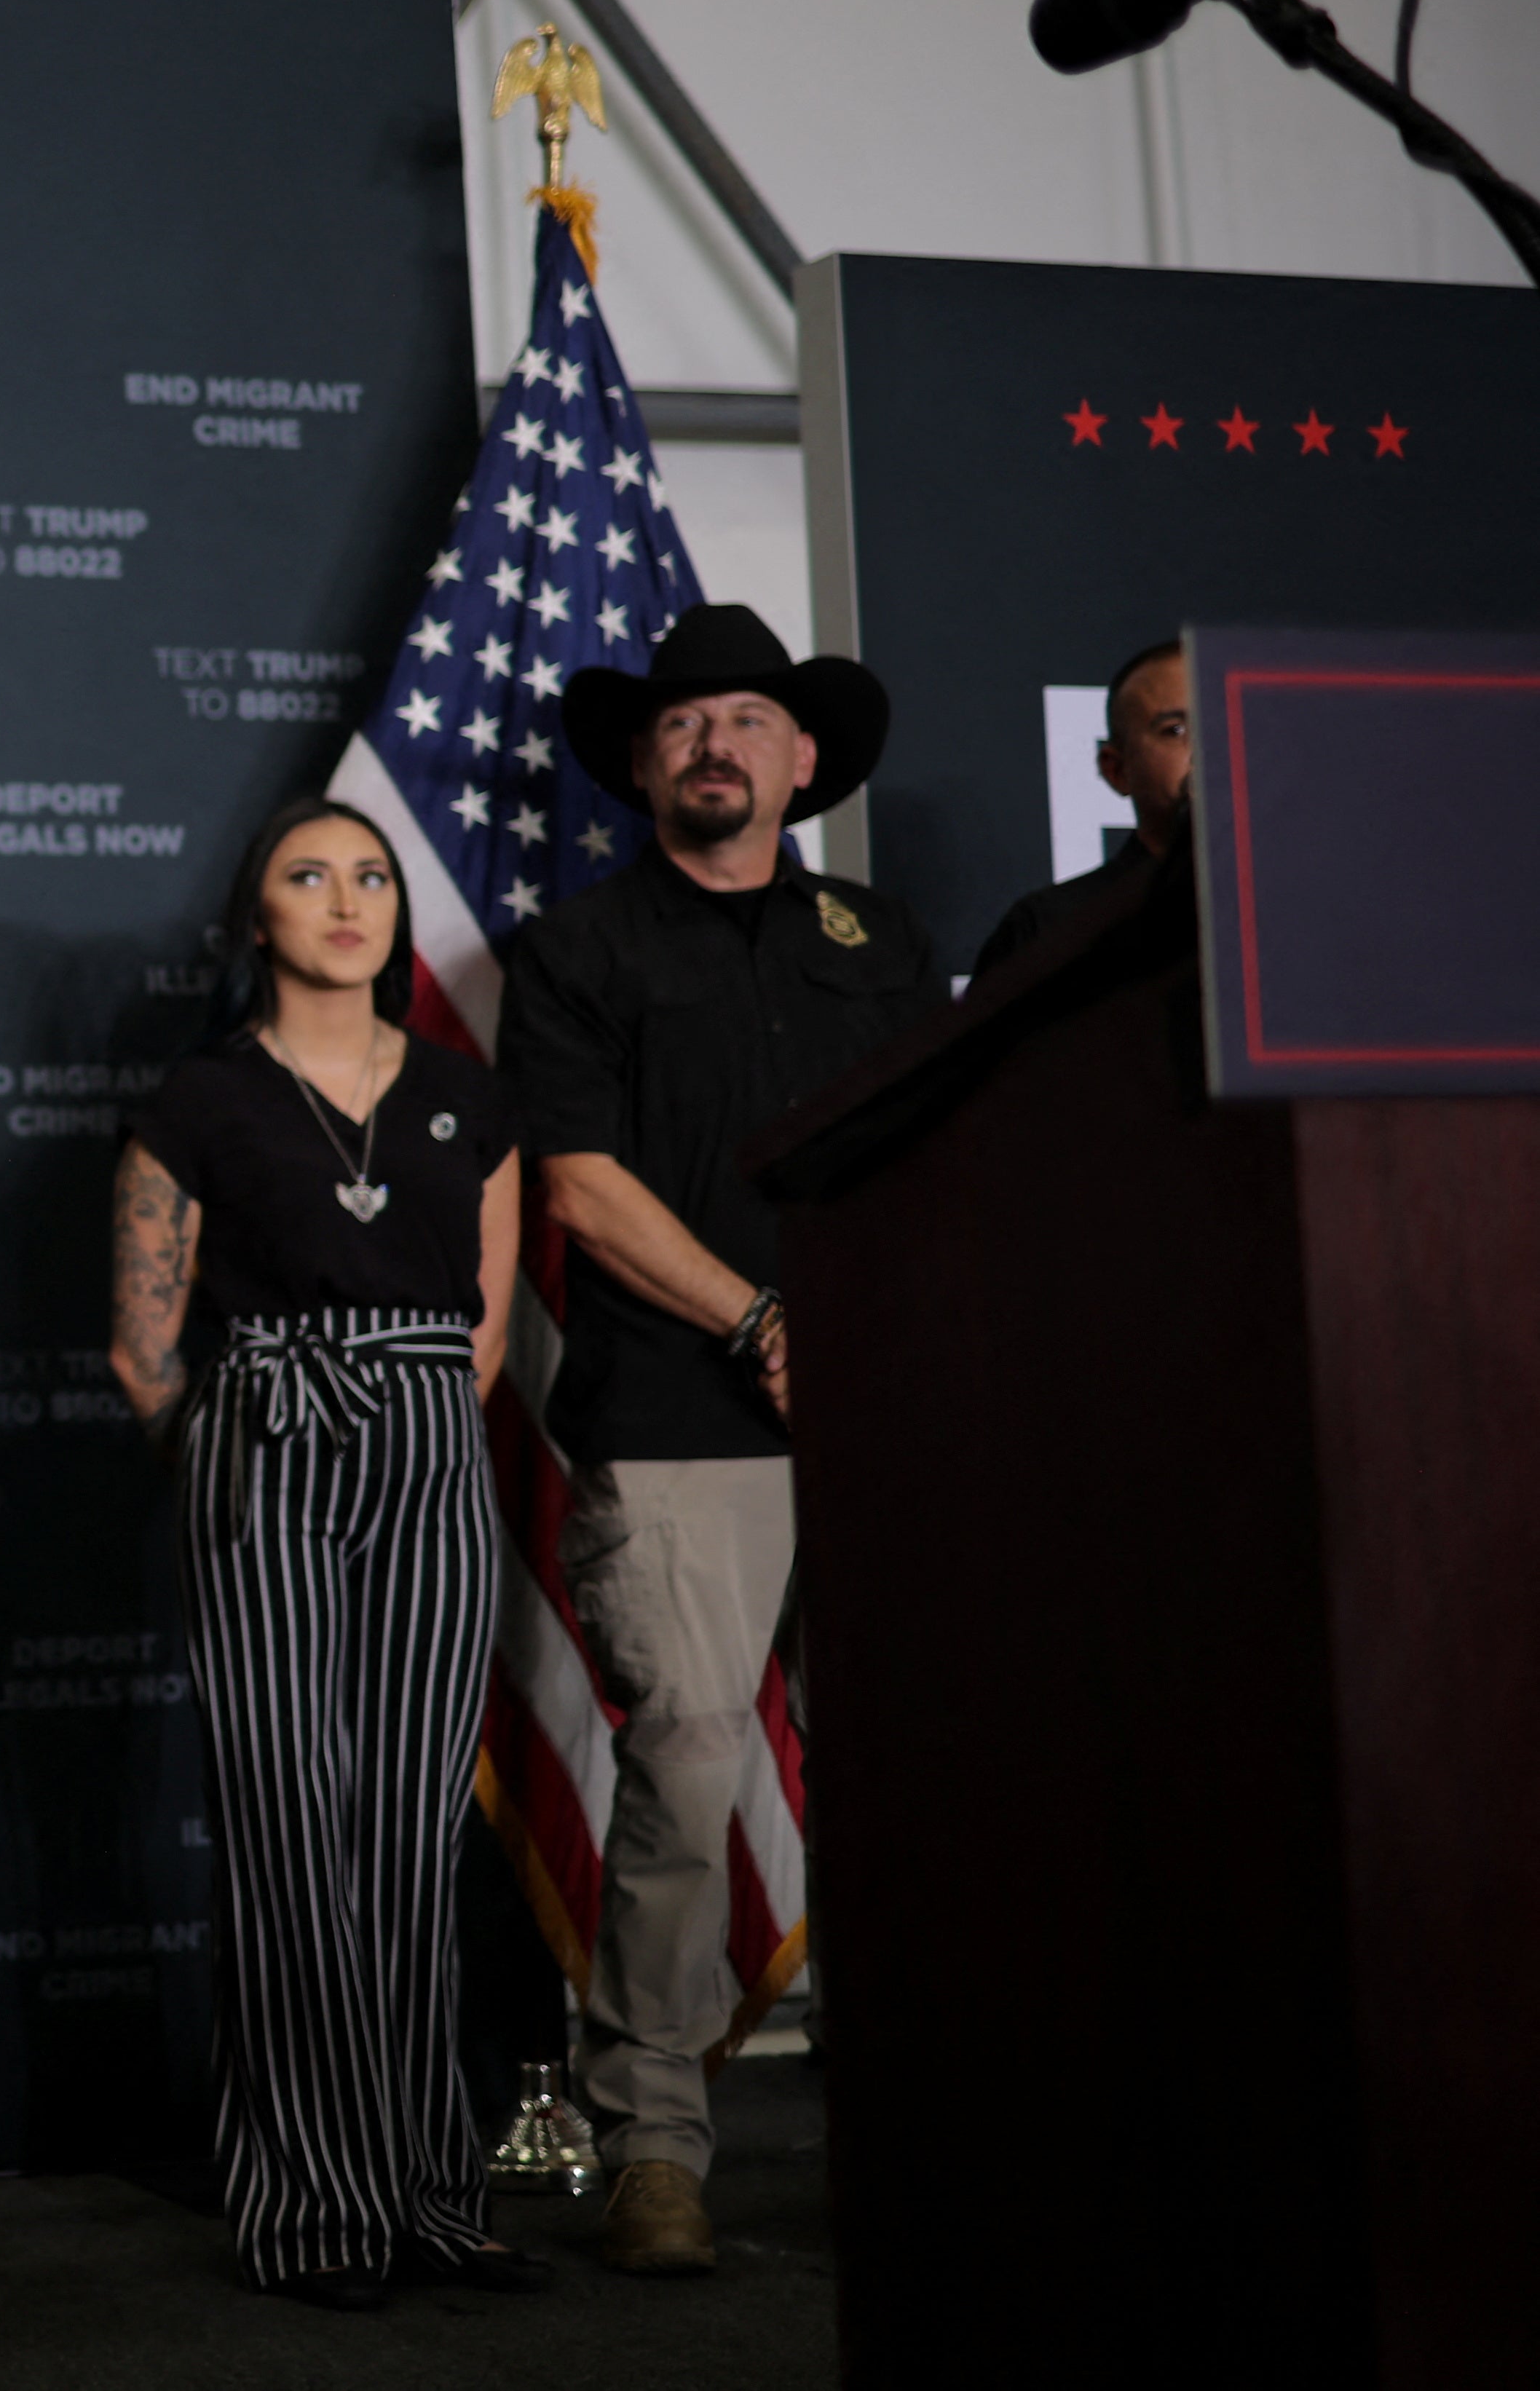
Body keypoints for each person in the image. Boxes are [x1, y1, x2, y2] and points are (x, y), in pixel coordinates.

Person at [497, 601, 946, 2277]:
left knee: (902, 1787)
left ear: (801, 755)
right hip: (679, 1417)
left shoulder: (877, 937)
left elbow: (926, 1146)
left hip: (888, 1413)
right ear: (637, 760)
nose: (711, 744)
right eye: (680, 723)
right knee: (686, 1767)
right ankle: (651, 2144)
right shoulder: (575, 950)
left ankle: (911, 2128)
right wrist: (763, 1321)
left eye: (744, 719)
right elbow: (578, 1185)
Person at [108, 797, 532, 2315]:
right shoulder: (202, 1098)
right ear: (257, 917)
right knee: (291, 1830)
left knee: (413, 1834)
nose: (345, 899)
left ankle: (431, 2191)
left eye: (370, 874)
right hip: (263, 1440)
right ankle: (313, 2206)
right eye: (308, 875)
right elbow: (143, 1343)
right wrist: (231, 1456)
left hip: (427, 1440)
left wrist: (403, 1420)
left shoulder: (469, 1098)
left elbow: (484, 1330)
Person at [974, 636, 1191, 979]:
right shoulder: (1052, 931)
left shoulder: (1298, 910)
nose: (1211, 744)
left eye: (1228, 719)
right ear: (1116, 770)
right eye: (1176, 730)